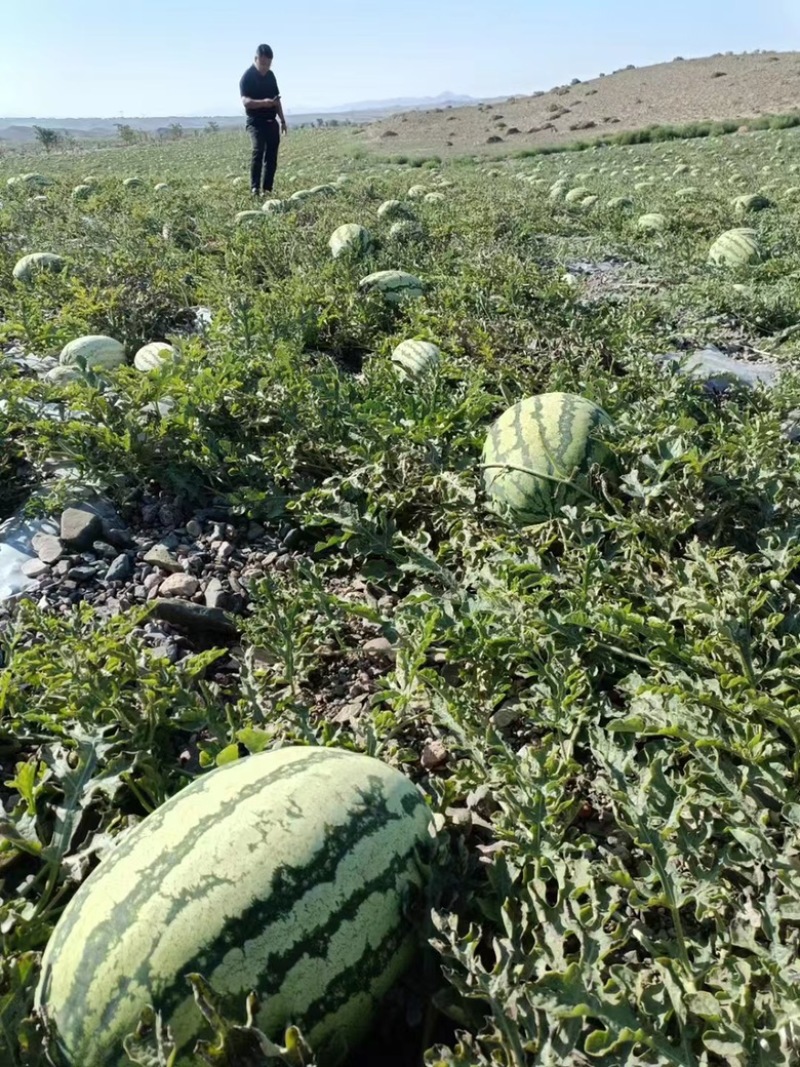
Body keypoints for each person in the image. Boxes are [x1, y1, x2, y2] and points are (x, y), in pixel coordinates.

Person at [239, 44, 288, 196]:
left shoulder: (271, 76)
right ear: (256, 59)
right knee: (258, 150)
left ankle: (267, 189)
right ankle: (255, 188)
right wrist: (264, 103)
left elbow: (277, 100)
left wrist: (282, 120)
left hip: (271, 121)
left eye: (268, 64)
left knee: (272, 156)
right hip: (255, 122)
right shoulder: (247, 77)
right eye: (263, 63)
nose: (265, 67)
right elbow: (245, 102)